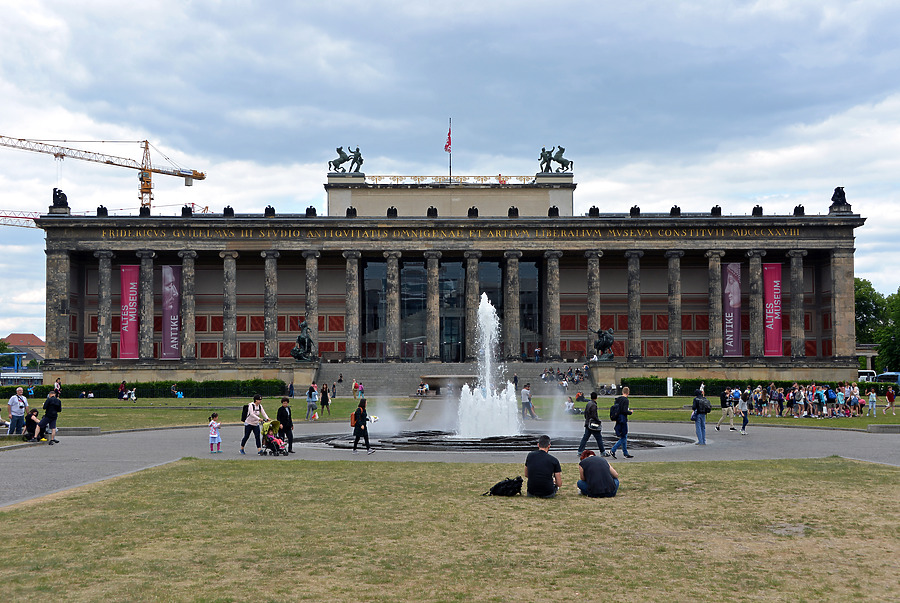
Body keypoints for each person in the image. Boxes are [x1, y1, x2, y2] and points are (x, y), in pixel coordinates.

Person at [577, 391, 607, 458]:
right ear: (596, 397)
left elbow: (585, 413)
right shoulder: (594, 405)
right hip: (593, 425)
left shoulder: (588, 403)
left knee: (585, 438)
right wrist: (598, 421)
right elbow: (594, 415)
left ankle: (580, 451)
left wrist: (587, 420)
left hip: (588, 424)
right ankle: (603, 452)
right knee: (599, 438)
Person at [609, 386, 634, 459]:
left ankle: (625, 453)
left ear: (622, 392)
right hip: (623, 419)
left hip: (618, 419)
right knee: (623, 436)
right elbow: (624, 411)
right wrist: (630, 412)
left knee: (624, 436)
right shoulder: (625, 400)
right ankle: (613, 450)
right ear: (628, 393)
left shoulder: (618, 399)